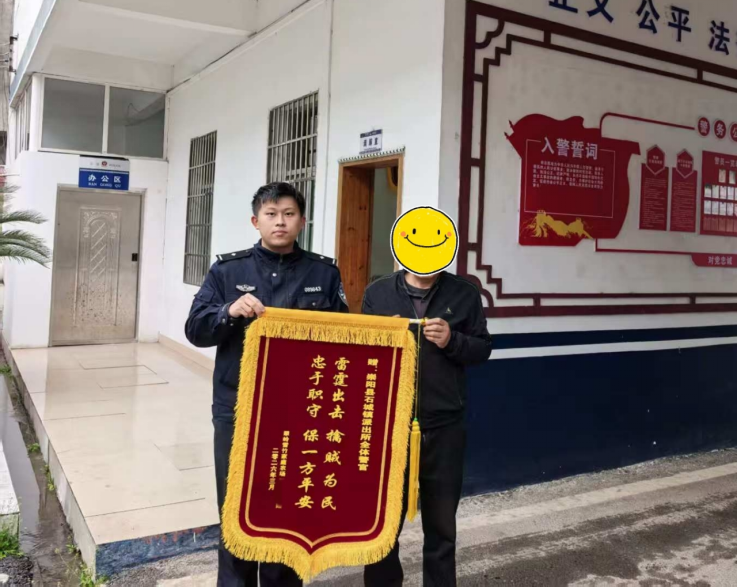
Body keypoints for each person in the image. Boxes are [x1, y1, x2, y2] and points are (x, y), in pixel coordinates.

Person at [185, 182, 349, 587]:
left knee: (286, 509)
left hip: (298, 410)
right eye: (271, 214)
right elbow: (196, 329)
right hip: (237, 408)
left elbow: (344, 338)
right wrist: (229, 311)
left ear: (302, 221)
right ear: (255, 221)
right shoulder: (227, 271)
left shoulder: (324, 273)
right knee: (237, 506)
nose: (280, 222)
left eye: (289, 214)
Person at [362, 269, 492, 587]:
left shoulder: (464, 292)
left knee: (442, 527)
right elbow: (360, 352)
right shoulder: (377, 292)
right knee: (381, 527)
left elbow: (482, 348)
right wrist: (381, 338)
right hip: (389, 427)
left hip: (445, 426)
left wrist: (452, 340)